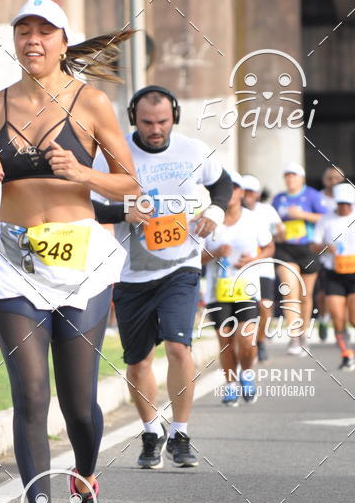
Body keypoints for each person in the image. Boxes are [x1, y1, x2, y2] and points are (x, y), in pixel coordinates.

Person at [0, 0, 139, 503]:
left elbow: (129, 183)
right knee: (31, 394)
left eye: (44, 31)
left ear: (63, 41)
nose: (32, 40)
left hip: (80, 259)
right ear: (14, 40)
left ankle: (85, 480)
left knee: (79, 404)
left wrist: (83, 173)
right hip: (13, 260)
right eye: (24, 31)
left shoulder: (91, 103)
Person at [91, 86, 232, 469]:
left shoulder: (192, 150)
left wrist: (215, 212)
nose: (156, 130)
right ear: (133, 118)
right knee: (139, 362)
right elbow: (86, 204)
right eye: (148, 122)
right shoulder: (113, 153)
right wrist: (122, 213)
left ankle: (180, 434)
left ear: (175, 118)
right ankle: (151, 431)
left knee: (178, 347)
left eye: (163, 122)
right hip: (132, 273)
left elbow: (222, 184)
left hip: (181, 266)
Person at [201, 172, 274, 405]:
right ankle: (231, 384)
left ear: (241, 192)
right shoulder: (208, 219)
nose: (230, 192)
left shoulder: (253, 219)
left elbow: (269, 247)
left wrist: (253, 260)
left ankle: (247, 374)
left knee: (246, 340)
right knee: (225, 341)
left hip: (246, 288)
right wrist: (214, 253)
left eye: (234, 188)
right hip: (217, 290)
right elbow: (195, 257)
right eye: (226, 187)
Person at [272, 163, 328, 357]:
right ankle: (294, 336)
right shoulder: (279, 199)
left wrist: (302, 215)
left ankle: (303, 333)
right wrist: (277, 231)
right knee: (290, 292)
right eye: (287, 175)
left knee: (305, 295)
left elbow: (326, 218)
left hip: (308, 249)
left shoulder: (313, 195)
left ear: (301, 178)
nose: (290, 179)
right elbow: (272, 222)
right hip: (285, 249)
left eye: (294, 175)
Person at [312, 182, 355, 370]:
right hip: (333, 273)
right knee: (337, 317)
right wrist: (325, 247)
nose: (344, 207)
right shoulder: (325, 220)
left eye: (347, 203)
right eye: (340, 203)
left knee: (353, 317)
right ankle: (347, 355)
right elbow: (314, 245)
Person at [241, 174, 284, 362]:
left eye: (251, 192)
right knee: (245, 307)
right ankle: (243, 343)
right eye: (244, 192)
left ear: (257, 194)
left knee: (265, 306)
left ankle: (261, 341)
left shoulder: (267, 210)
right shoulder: (233, 211)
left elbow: (280, 234)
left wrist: (279, 232)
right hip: (241, 268)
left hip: (263, 266)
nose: (247, 196)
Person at [316, 166, 345, 341]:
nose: (333, 181)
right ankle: (323, 317)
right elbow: (313, 218)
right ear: (324, 180)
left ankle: (342, 324)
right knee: (322, 291)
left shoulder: (349, 197)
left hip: (346, 252)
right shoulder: (318, 198)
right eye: (329, 178)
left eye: (337, 178)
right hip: (323, 249)